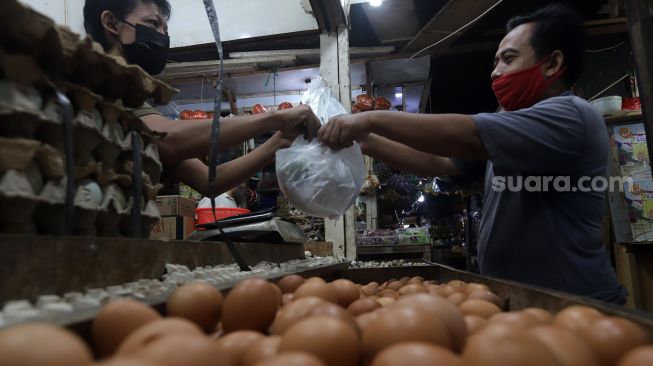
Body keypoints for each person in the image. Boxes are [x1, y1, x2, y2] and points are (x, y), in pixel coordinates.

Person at [318, 4, 626, 303]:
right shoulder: (513, 133)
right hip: (526, 299)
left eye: (508, 59)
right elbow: (438, 163)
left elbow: (467, 134)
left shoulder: (571, 115)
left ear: (552, 63)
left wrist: (368, 119)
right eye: (495, 62)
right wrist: (367, 143)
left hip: (574, 304)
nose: (495, 72)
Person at [83, 0, 320, 196]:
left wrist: (277, 143)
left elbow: (209, 181)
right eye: (153, 24)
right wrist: (274, 119)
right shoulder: (92, 87)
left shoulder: (132, 103)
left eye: (166, 30)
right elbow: (166, 139)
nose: (163, 38)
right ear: (111, 23)